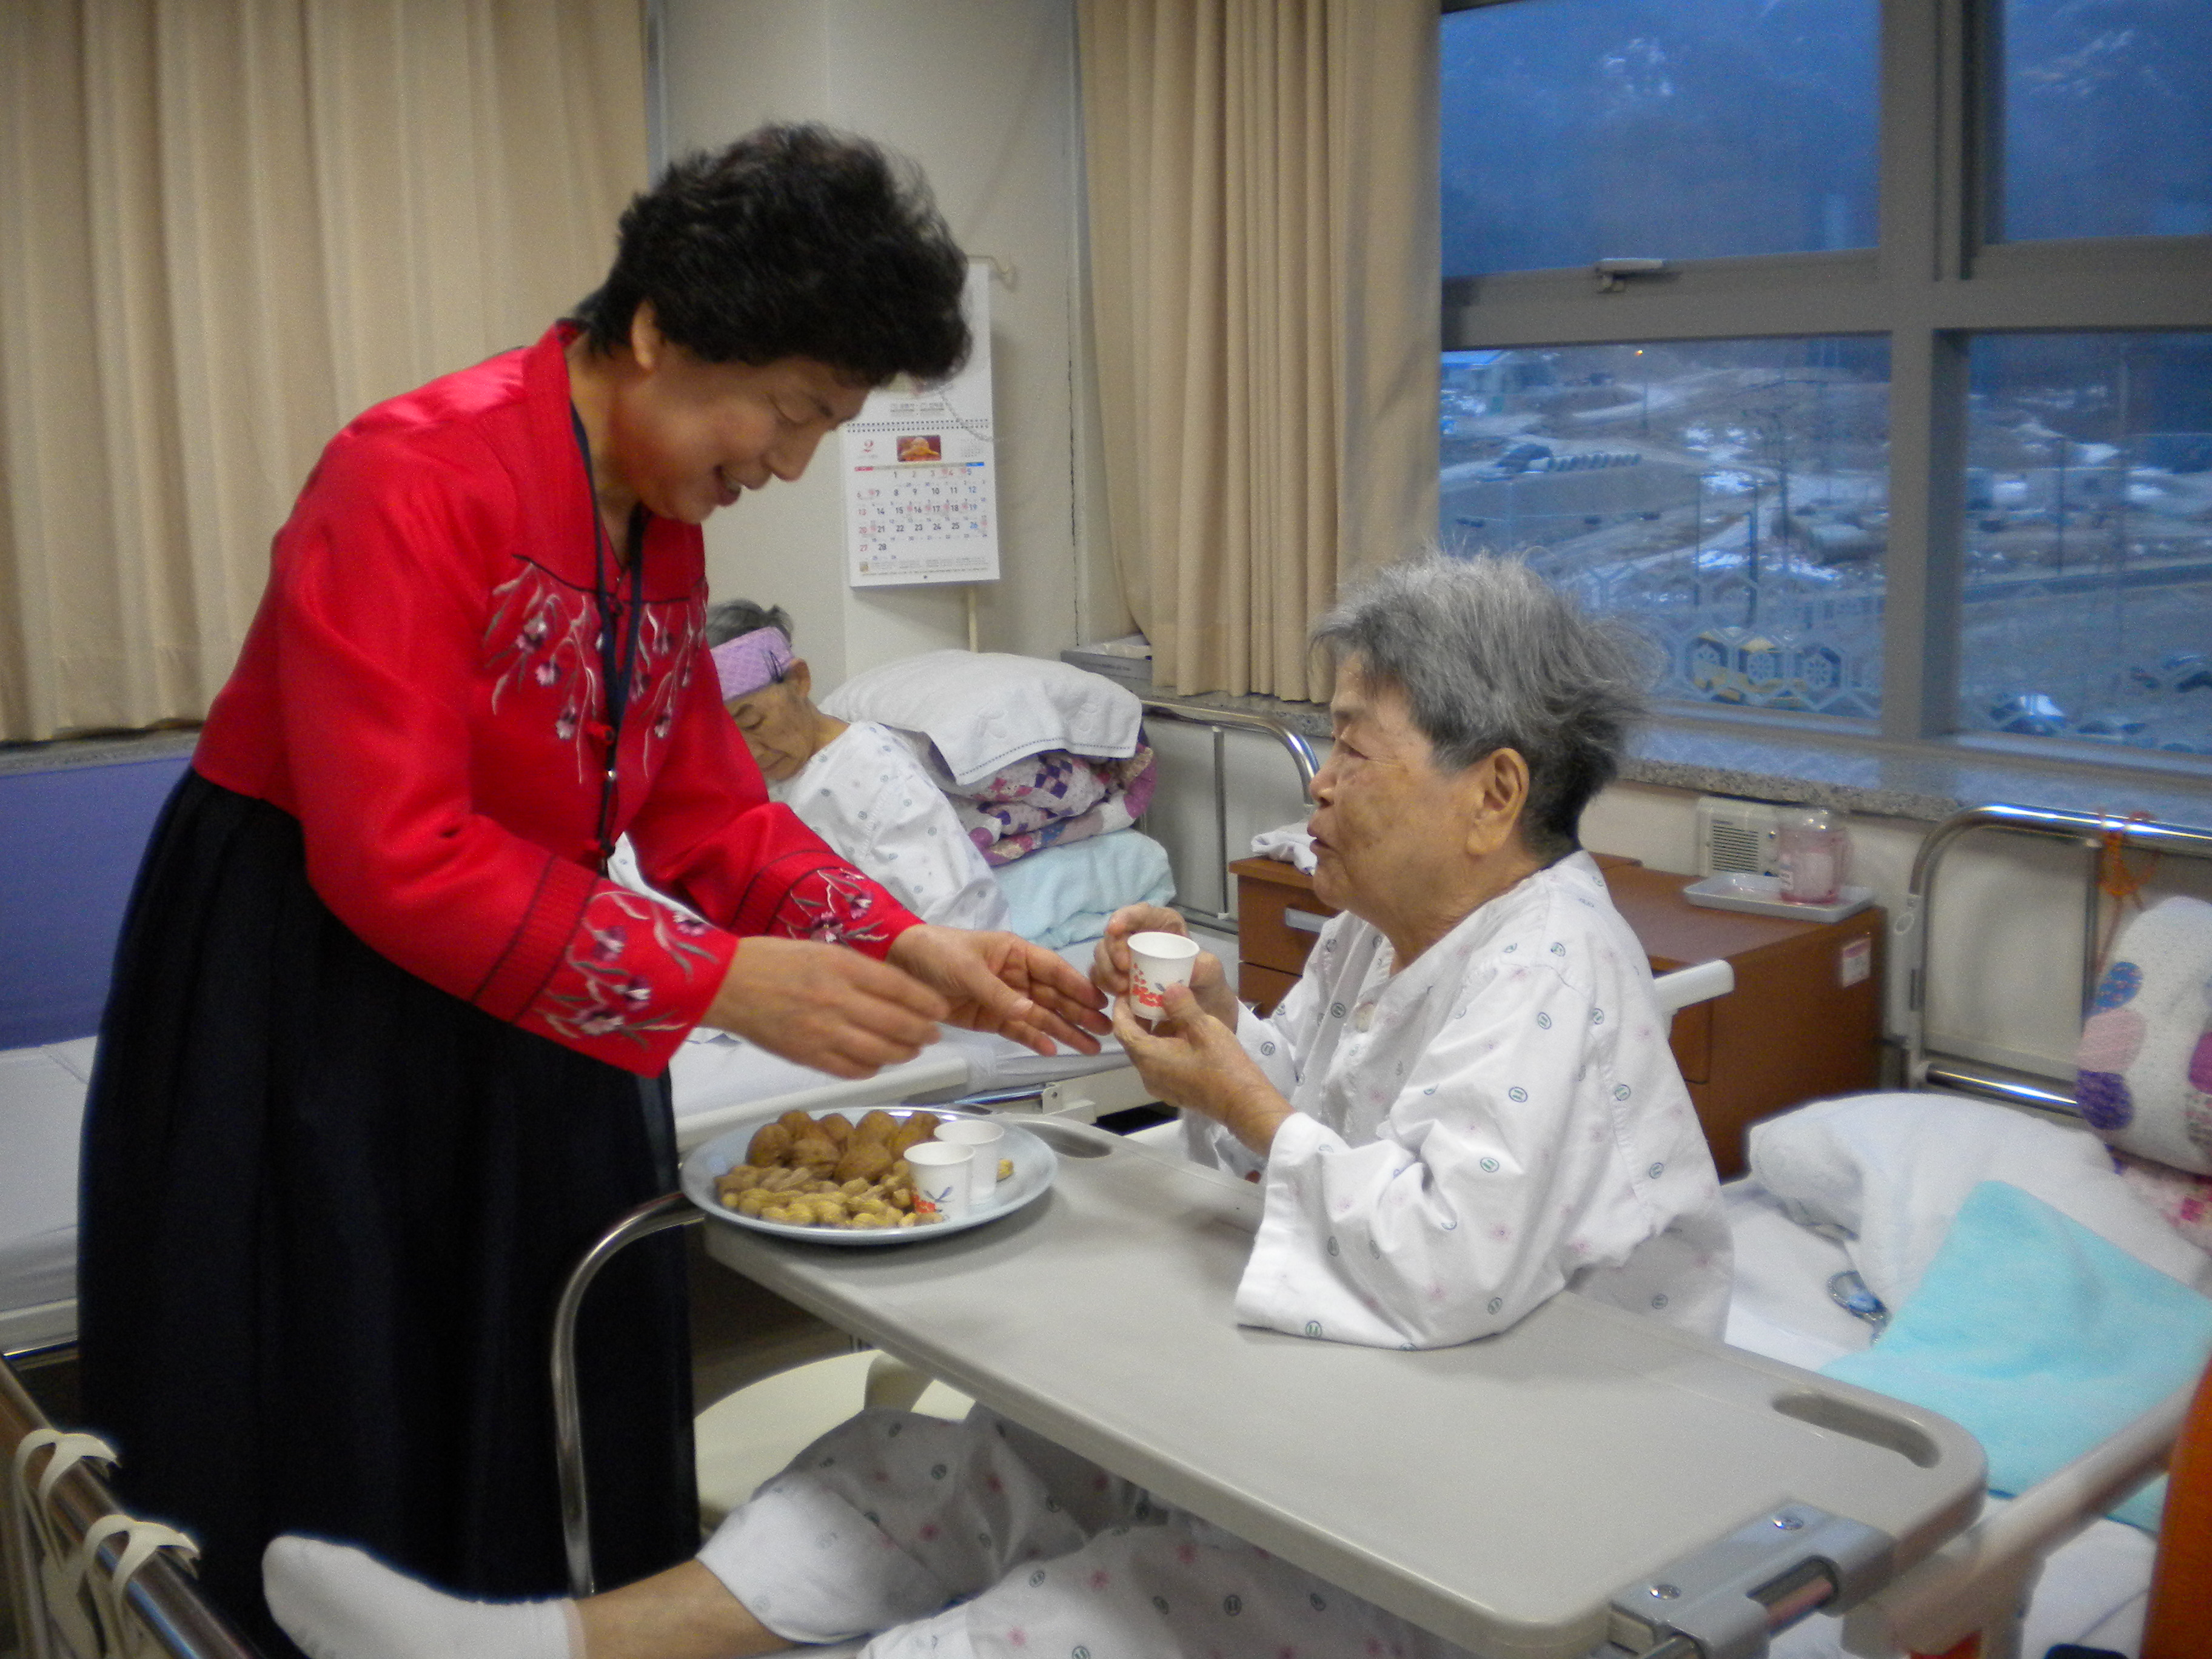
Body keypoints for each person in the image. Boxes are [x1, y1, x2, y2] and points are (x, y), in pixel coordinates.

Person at [255, 555, 1730, 1659]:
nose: (1320, 784)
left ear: (1496, 793)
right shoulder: (1375, 929)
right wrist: (1208, 1040)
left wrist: (1242, 1097)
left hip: (1499, 1498)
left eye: (1353, 745)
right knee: (927, 1461)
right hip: (1345, 1407)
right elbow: (1294, 1127)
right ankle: (533, 1648)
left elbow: (1438, 1253)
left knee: (1082, 1611)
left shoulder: (1554, 970)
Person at [76, 124, 1105, 1656]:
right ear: (661, 332)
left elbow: (701, 806)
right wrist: (717, 980)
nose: (788, 461)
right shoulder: (412, 472)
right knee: (356, 1359)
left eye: (825, 424)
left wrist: (906, 935)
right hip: (312, 982)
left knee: (554, 1331)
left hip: (519, 953)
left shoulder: (659, 528)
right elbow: (394, 850)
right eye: (793, 409)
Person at [615, 600, 1010, 931]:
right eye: (726, 743)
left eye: (753, 722)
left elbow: (960, 918)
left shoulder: (870, 769)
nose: (750, 753)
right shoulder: (744, 778)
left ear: (799, 679)